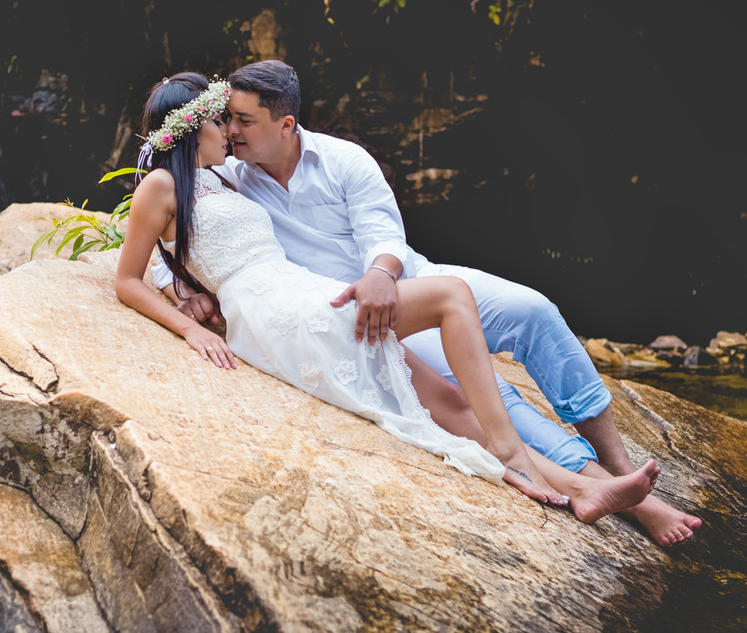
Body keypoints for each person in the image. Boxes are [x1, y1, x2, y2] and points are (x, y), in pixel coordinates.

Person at [153, 60, 702, 547]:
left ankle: (618, 463)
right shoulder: (227, 175)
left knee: (534, 309)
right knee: (489, 391)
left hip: (406, 277)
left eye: (243, 121)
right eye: (225, 121)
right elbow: (169, 226)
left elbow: (383, 231)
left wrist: (380, 274)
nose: (230, 130)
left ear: (286, 124)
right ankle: (631, 499)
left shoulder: (344, 159)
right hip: (357, 313)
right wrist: (187, 292)